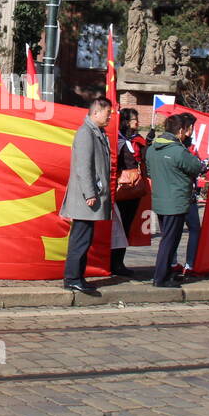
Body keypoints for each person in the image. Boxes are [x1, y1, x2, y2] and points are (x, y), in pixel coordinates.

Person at [146, 114, 209, 289]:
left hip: (159, 201)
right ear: (181, 131)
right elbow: (198, 167)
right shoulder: (177, 151)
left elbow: (150, 173)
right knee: (170, 241)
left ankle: (165, 274)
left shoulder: (152, 149)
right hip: (175, 202)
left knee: (167, 240)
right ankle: (161, 277)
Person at [59, 97, 113, 297]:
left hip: (90, 197)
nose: (110, 117)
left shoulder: (96, 132)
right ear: (96, 112)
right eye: (108, 114)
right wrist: (90, 192)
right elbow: (83, 167)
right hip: (86, 198)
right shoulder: (85, 134)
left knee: (84, 238)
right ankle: (72, 279)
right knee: (80, 239)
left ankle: (77, 277)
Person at [111, 108, 146, 278]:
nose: (137, 123)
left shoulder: (137, 140)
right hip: (120, 188)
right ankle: (113, 262)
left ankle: (119, 262)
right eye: (134, 119)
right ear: (125, 122)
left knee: (126, 226)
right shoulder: (116, 140)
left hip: (134, 188)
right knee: (117, 227)